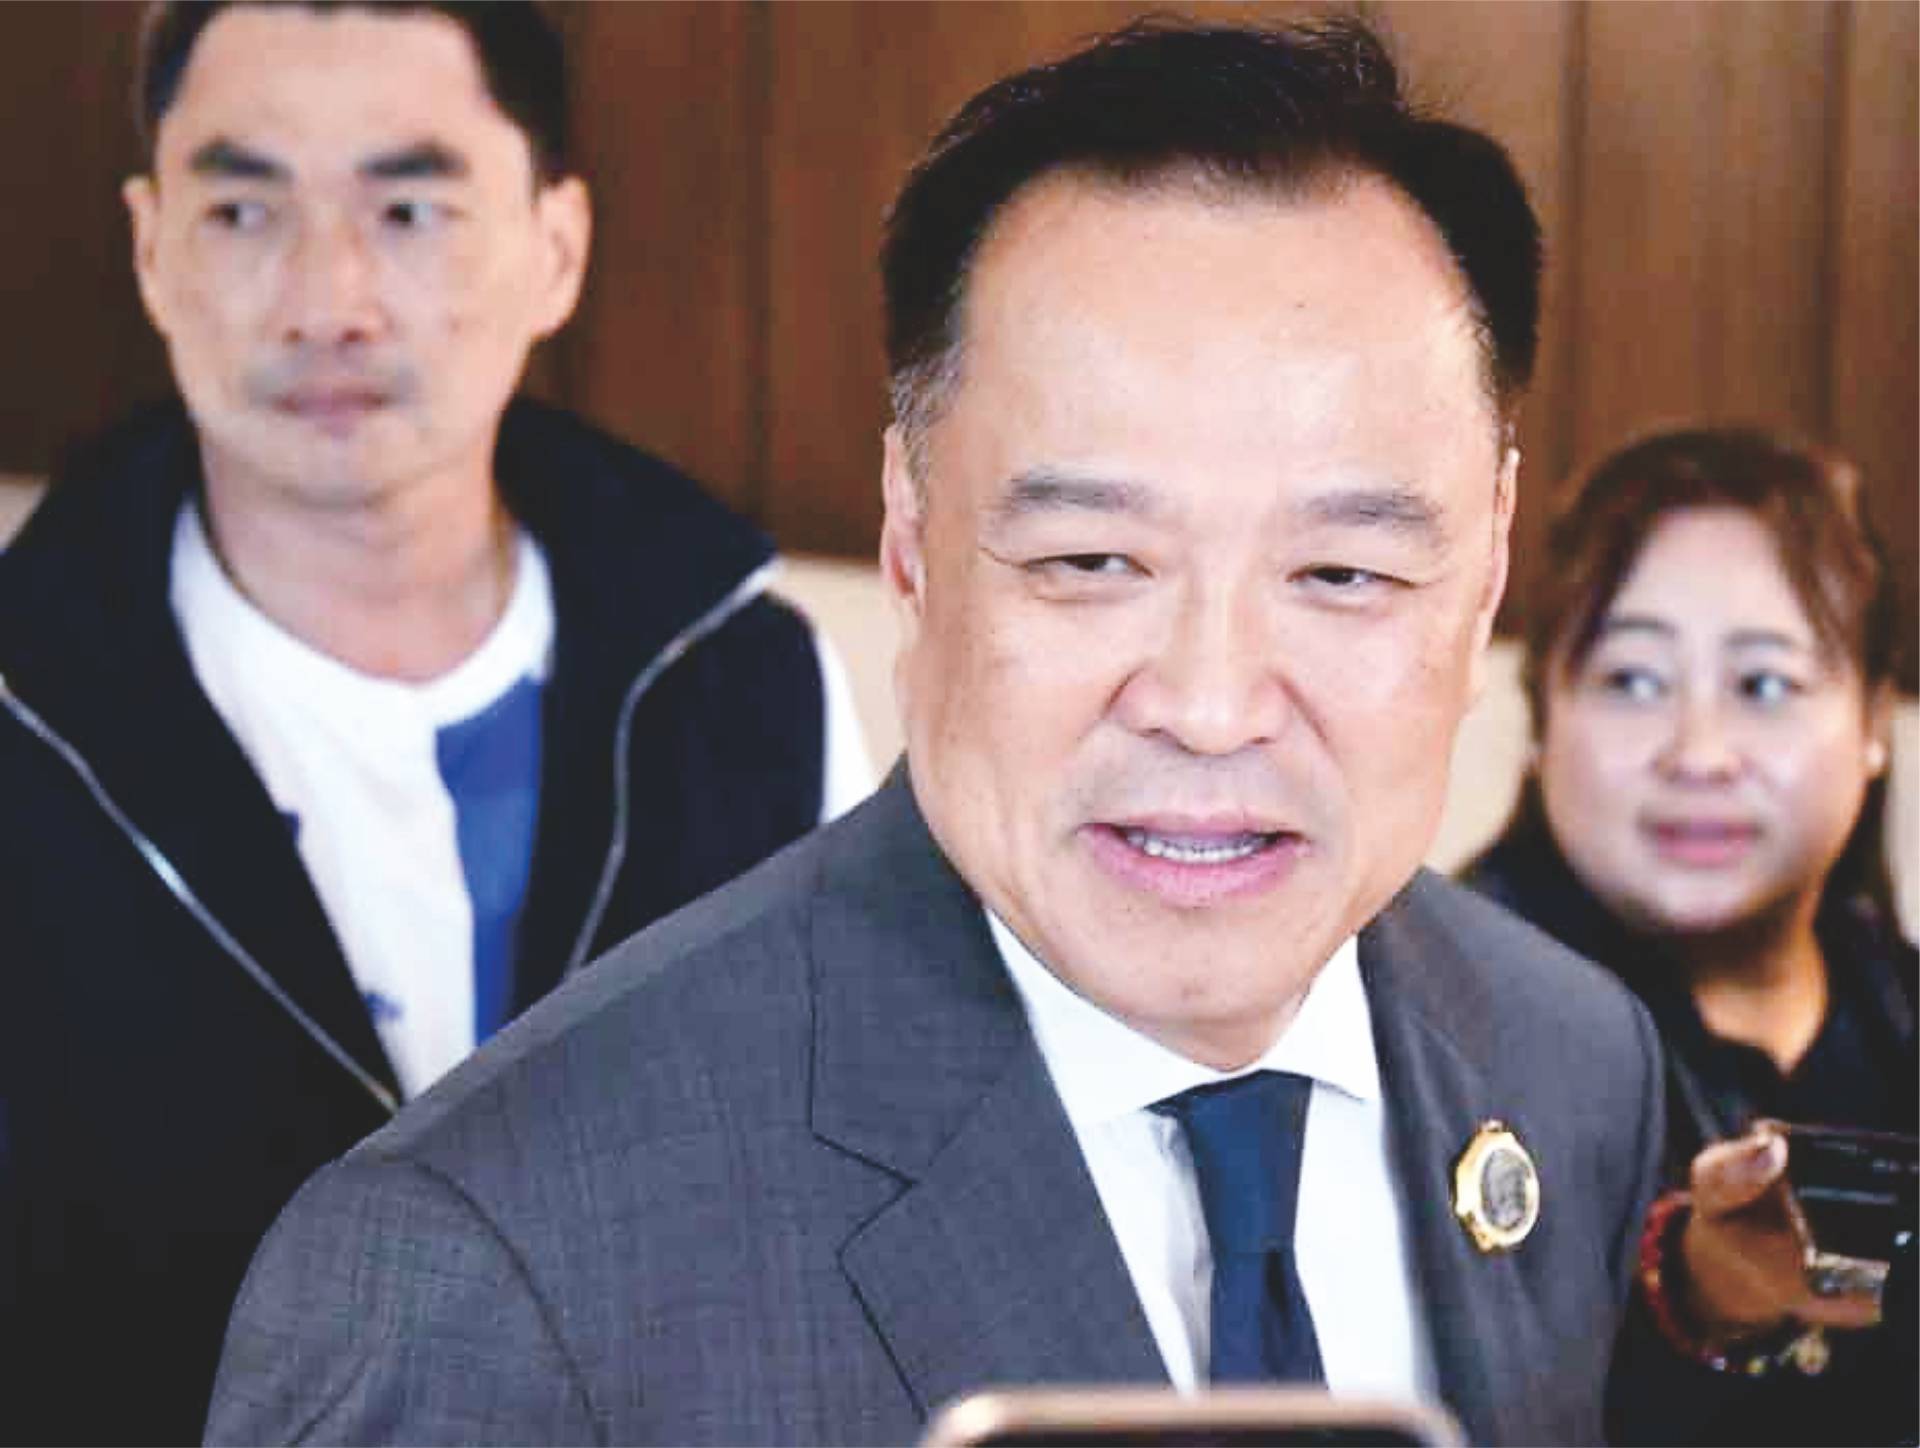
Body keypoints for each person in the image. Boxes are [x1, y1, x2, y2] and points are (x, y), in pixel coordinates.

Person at [209, 18, 1673, 1444]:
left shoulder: (1574, 1064)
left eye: (1343, 574)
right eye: (1091, 560)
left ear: (1487, 564)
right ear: (911, 545)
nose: (1212, 705)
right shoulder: (490, 1271)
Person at [0, 3, 868, 1443]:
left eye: (408, 209)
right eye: (243, 209)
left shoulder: (748, 688)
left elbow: (850, 1228)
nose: (326, 301)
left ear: (556, 248)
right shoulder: (28, 706)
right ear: (152, 249)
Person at [1464, 427, 1915, 1445]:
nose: (1698, 753)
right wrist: (1702, 1289)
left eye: (1763, 685)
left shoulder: (1895, 1006)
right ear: (1541, 719)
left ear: (1874, 723)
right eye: (1633, 680)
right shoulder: (1428, 1024)